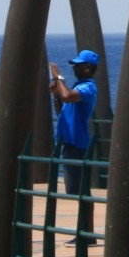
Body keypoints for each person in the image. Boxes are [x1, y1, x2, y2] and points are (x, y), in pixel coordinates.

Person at [49, 49, 101, 197]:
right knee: (73, 188)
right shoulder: (78, 88)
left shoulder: (88, 88)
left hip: (77, 144)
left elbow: (66, 97)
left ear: (87, 68)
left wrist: (58, 76)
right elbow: (62, 112)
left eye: (77, 65)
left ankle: (84, 217)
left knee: (76, 190)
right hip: (69, 143)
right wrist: (55, 96)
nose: (74, 68)